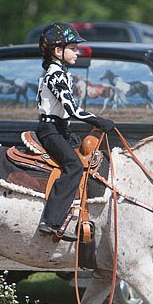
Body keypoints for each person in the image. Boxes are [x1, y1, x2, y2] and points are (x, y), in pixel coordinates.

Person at [36, 22, 115, 242]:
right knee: (73, 167)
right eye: (73, 47)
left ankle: (79, 217)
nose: (77, 51)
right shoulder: (55, 75)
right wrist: (98, 120)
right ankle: (50, 222)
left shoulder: (61, 72)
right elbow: (71, 109)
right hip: (51, 130)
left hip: (60, 129)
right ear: (57, 51)